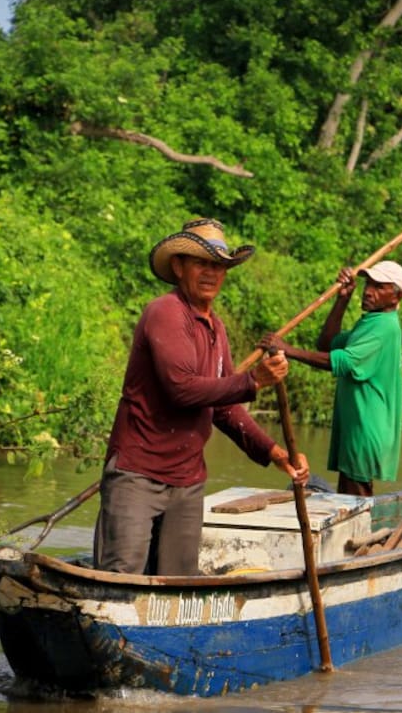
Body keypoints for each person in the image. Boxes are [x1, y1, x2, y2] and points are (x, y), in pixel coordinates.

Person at [93, 218, 309, 576]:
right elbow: (182, 388)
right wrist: (253, 380)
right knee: (121, 576)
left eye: (219, 266)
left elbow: (223, 409)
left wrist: (275, 453)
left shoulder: (216, 327)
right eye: (202, 263)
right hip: (137, 473)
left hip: (187, 480)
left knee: (179, 586)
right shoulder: (165, 312)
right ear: (179, 266)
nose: (211, 273)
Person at [260, 261, 402, 497]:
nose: (369, 290)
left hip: (365, 427)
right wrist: (343, 299)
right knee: (350, 494)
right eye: (368, 284)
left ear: (396, 296)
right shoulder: (371, 322)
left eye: (379, 287)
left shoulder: (385, 328)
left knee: (355, 499)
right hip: (355, 425)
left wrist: (288, 350)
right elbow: (327, 344)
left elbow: (342, 361)